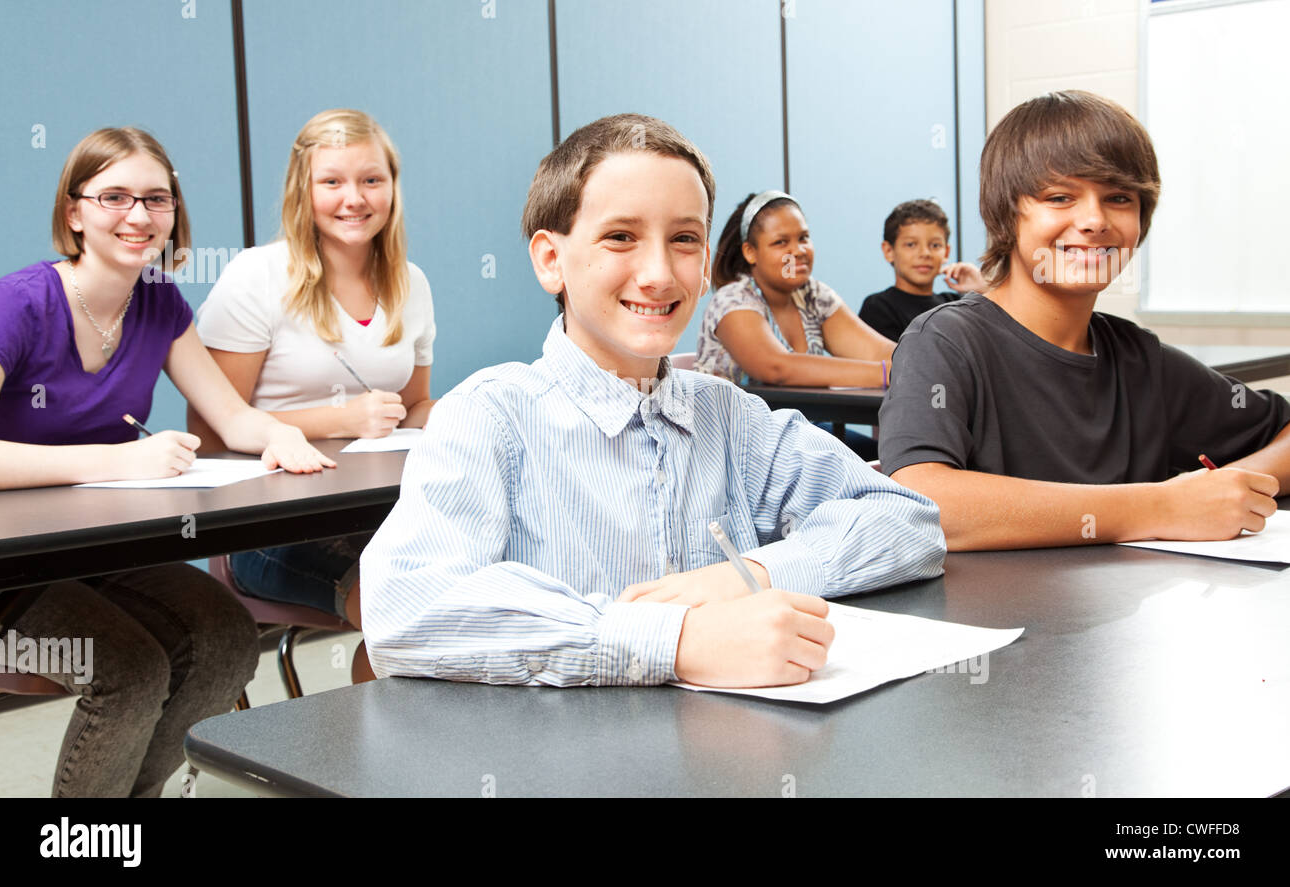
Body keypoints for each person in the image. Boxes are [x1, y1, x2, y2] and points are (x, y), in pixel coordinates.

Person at [360, 114, 945, 689]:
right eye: (621, 237)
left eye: (685, 239)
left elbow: (908, 521)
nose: (659, 273)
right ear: (550, 260)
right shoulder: (491, 416)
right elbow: (407, 607)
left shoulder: (731, 417)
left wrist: (754, 576)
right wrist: (674, 640)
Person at [0, 127, 334, 796]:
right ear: (74, 212)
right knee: (129, 667)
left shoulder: (158, 303)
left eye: (157, 198)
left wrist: (276, 435)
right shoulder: (16, 304)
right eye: (114, 196)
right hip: (6, 566)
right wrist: (115, 463)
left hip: (92, 552)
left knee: (227, 639)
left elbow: (231, 415)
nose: (140, 215)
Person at [878, 90, 1290, 550]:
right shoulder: (945, 342)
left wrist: (1225, 489)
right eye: (1059, 197)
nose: (1094, 220)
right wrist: (1162, 506)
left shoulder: (1142, 360)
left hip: (1124, 618)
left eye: (1118, 197)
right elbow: (923, 502)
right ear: (1006, 212)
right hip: (998, 620)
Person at [192, 110, 435, 683]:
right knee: (409, 615)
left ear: (393, 186)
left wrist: (444, 414)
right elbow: (210, 435)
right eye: (332, 182)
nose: (354, 198)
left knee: (475, 590)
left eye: (371, 180)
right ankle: (381, 766)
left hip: (381, 514)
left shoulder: (411, 282)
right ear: (304, 190)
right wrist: (341, 418)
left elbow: (414, 406)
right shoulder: (256, 277)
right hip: (270, 531)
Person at [695, 191, 897, 457]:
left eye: (804, 238)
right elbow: (777, 367)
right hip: (734, 447)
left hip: (800, 435)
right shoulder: (732, 299)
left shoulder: (813, 295)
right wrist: (886, 374)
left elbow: (877, 351)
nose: (798, 251)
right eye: (781, 242)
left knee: (893, 461)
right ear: (750, 252)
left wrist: (922, 365)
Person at [857, 198, 986, 341]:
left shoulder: (956, 304)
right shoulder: (878, 307)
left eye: (935, 245)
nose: (925, 253)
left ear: (946, 252)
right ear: (888, 251)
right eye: (911, 244)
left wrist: (984, 287)